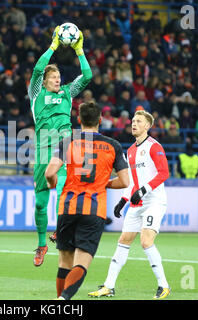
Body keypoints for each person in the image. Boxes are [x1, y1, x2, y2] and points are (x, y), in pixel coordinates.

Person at [45, 101, 129, 300]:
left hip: (68, 206)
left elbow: (49, 172)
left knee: (64, 261)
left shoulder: (68, 141)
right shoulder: (113, 145)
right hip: (94, 209)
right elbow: (125, 181)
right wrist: (104, 183)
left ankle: (61, 299)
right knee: (81, 262)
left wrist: (52, 183)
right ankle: (63, 299)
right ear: (100, 120)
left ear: (79, 119)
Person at [88, 110, 171, 300]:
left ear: (147, 126)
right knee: (123, 240)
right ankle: (108, 286)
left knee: (145, 241)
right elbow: (132, 180)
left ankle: (164, 286)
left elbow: (164, 172)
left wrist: (143, 190)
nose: (134, 123)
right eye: (133, 120)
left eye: (139, 121)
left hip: (154, 201)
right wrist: (123, 200)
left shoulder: (154, 146)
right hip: (136, 202)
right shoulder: (131, 150)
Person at [28, 25, 92, 266]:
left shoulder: (67, 92)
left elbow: (86, 76)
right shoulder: (36, 94)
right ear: (44, 82)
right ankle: (42, 244)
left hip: (64, 148)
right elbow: (36, 69)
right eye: (53, 78)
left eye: (58, 77)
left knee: (65, 195)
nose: (58, 80)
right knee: (40, 203)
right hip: (42, 150)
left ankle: (60, 232)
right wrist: (54, 46)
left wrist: (80, 51)